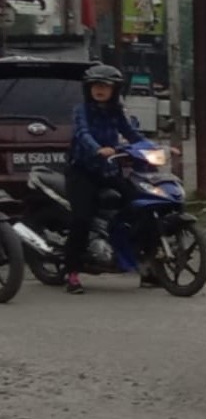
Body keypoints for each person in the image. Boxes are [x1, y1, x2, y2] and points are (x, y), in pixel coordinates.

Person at [64, 64, 146, 295]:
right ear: (88, 88)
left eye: (105, 86)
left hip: (109, 171)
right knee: (81, 218)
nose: (100, 90)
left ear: (114, 90)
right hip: (82, 172)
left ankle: (143, 263)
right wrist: (98, 149)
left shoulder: (116, 112)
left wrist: (156, 147)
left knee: (139, 203)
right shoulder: (81, 111)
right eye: (96, 86)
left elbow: (131, 133)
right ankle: (72, 273)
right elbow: (83, 134)